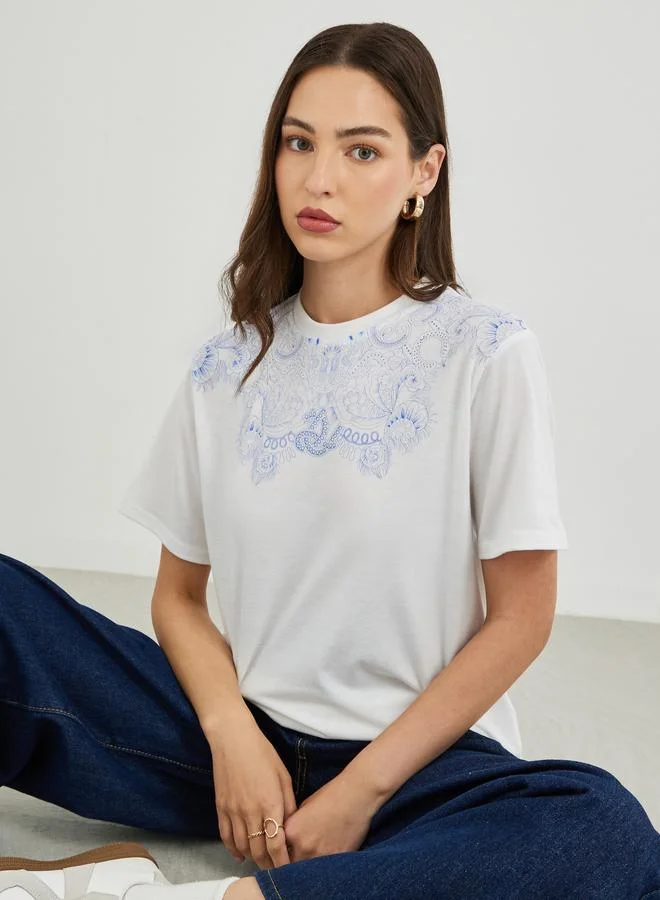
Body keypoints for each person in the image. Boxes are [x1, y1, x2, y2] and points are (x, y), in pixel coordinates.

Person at [1, 20, 659, 900]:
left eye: (362, 150)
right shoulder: (227, 363)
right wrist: (232, 734)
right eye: (299, 142)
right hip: (236, 752)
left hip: (419, 769)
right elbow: (179, 598)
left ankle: (200, 898)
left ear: (424, 172)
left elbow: (522, 617)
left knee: (603, 827)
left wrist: (362, 790)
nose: (319, 179)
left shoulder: (484, 352)